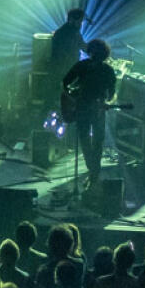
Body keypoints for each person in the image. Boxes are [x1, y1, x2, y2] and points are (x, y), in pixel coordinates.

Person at [61, 38, 118, 190]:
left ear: (90, 51)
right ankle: (94, 172)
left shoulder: (81, 65)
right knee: (97, 140)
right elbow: (112, 94)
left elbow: (65, 82)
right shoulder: (108, 70)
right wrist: (107, 102)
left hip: (83, 107)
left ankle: (92, 171)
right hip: (96, 109)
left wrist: (71, 98)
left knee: (85, 138)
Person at [47, 8, 86, 108]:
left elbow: (82, 45)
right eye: (80, 21)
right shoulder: (63, 33)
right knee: (57, 95)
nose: (81, 24)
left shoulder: (74, 32)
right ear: (71, 20)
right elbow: (61, 54)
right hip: (62, 69)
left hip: (66, 68)